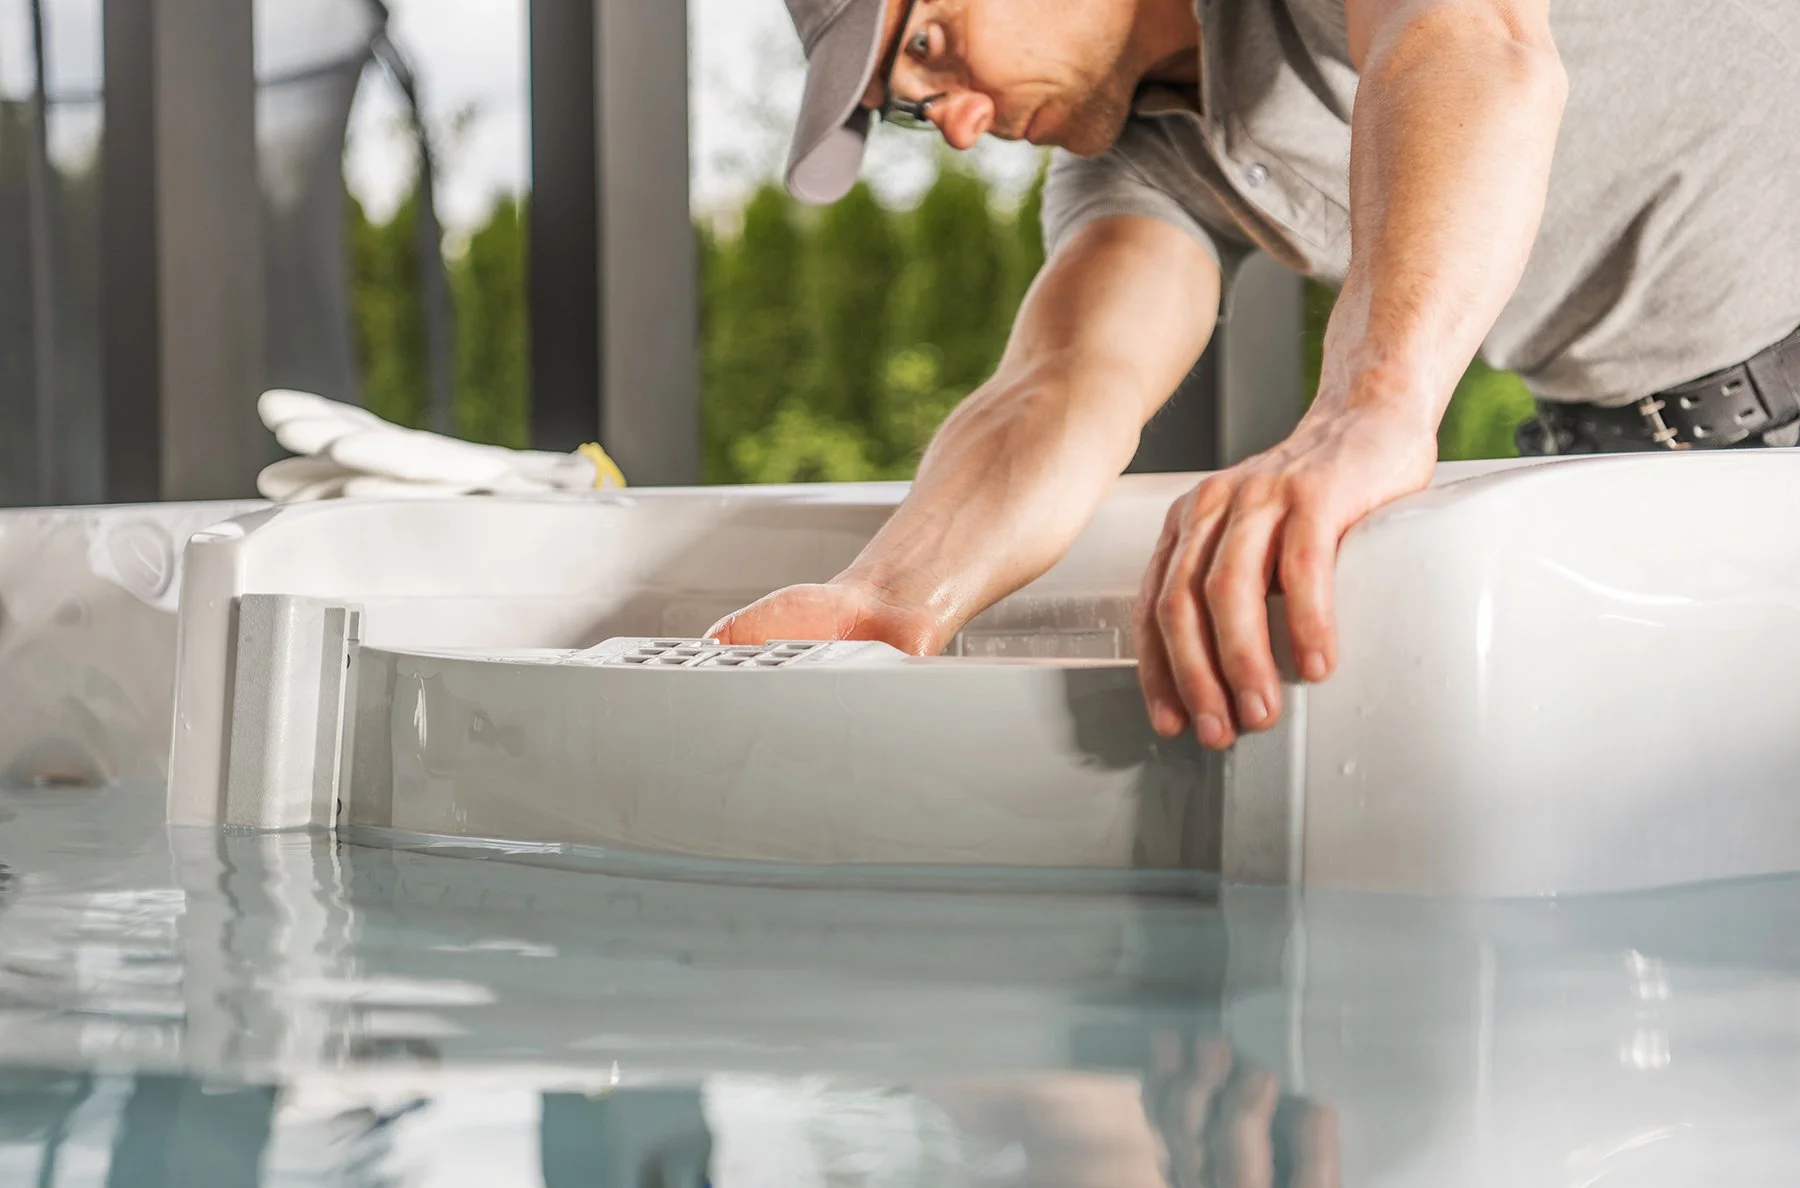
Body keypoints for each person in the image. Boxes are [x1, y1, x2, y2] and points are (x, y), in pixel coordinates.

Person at [712, 0, 1800, 751]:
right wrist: (886, 600)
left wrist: (1367, 407)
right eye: (912, 103)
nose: (956, 126)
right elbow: (1063, 382)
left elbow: (1467, 47)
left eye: (938, 40)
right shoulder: (1146, 154)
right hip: (1646, 468)